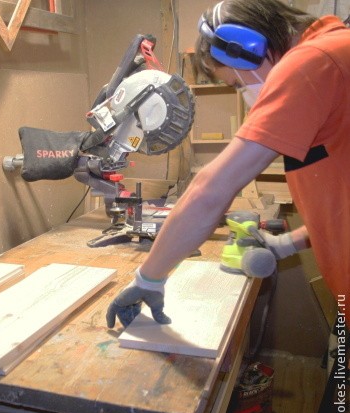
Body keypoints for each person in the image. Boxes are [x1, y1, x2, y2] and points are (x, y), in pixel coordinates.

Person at [106, 0, 350, 329]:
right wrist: (286, 243)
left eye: (238, 85)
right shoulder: (336, 52)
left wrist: (149, 278)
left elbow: (212, 189)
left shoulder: (310, 64)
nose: (246, 95)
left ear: (246, 47)